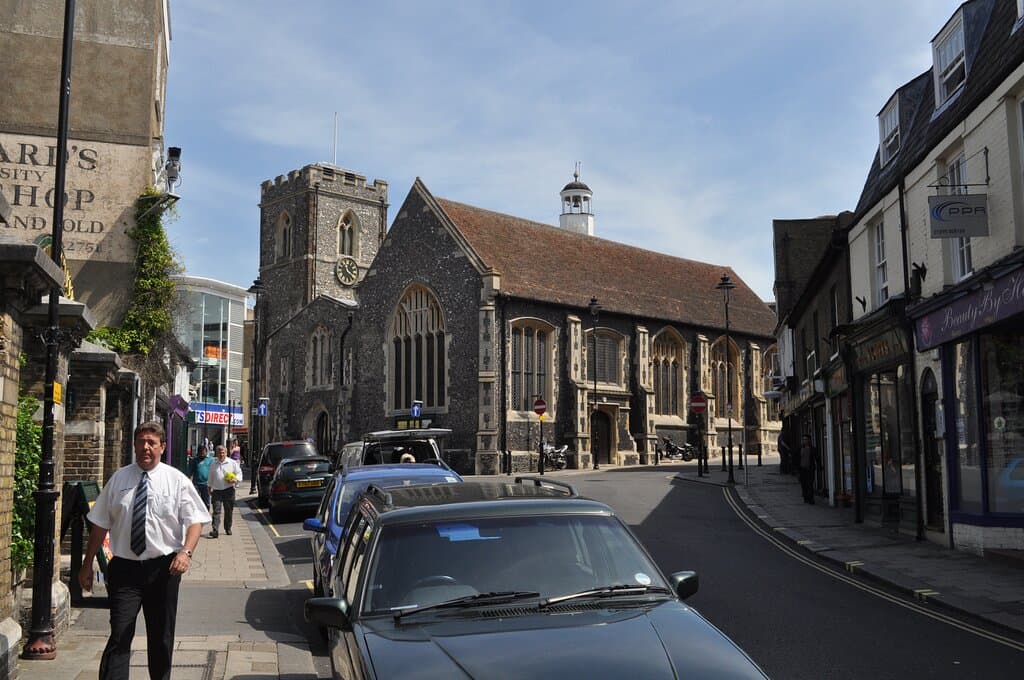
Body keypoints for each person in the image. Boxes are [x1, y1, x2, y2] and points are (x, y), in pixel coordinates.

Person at [78, 421, 210, 680]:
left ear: (162, 447)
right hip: (125, 570)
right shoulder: (119, 478)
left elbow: (195, 520)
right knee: (119, 634)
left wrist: (186, 552)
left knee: (161, 636)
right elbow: (100, 524)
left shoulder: (176, 480)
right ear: (135, 445)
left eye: (152, 442)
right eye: (141, 442)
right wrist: (86, 564)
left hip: (163, 569)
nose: (146, 447)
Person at [208, 445, 243, 537]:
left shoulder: (232, 463)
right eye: (219, 453)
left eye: (223, 452)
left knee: (228, 511)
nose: (221, 454)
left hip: (229, 490)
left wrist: (235, 480)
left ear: (226, 453)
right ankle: (215, 530)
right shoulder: (213, 464)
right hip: (216, 491)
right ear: (217, 454)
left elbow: (239, 473)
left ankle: (228, 528)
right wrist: (209, 487)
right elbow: (210, 476)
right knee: (216, 511)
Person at [798, 434, 819, 504]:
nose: (805, 441)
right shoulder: (800, 449)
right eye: (803, 439)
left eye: (806, 439)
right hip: (802, 469)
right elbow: (797, 459)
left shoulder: (813, 449)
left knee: (810, 484)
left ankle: (811, 498)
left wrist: (819, 466)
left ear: (809, 440)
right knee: (804, 484)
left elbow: (817, 458)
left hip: (810, 469)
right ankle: (806, 497)